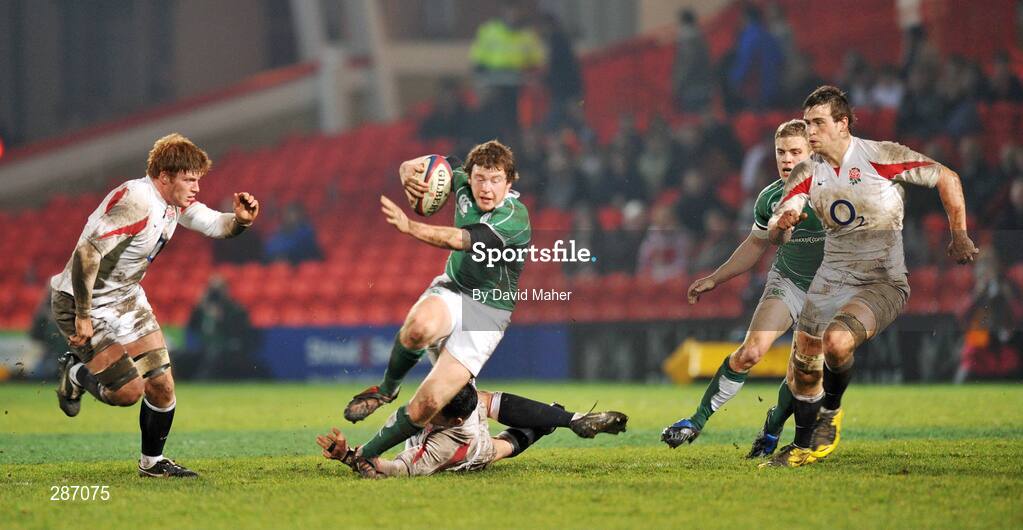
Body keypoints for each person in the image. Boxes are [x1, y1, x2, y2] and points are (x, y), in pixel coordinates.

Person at [764, 86, 978, 467]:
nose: (810, 131)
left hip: (882, 279)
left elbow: (947, 177)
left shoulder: (880, 155)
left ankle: (830, 415)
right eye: (807, 122)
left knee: (837, 342)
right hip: (831, 277)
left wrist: (958, 233)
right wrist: (783, 224)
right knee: (803, 362)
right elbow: (781, 227)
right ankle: (805, 445)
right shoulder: (806, 171)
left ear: (843, 124)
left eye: (818, 123)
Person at [51, 133, 260, 478]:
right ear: (164, 176)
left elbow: (213, 224)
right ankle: (75, 373)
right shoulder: (137, 202)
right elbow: (87, 253)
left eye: (197, 180)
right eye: (189, 179)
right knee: (127, 392)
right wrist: (84, 316)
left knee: (162, 385)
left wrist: (241, 221)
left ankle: (152, 463)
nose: (196, 187)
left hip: (126, 297)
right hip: (80, 300)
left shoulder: (173, 202)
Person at [340, 140, 540, 476]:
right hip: (454, 287)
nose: (486, 188)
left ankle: (365, 455)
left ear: (509, 182)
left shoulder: (514, 219)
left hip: (487, 313)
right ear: (470, 175)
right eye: (479, 178)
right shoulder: (460, 179)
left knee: (429, 404)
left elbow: (457, 239)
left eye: (494, 180)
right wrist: (407, 173)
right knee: (419, 327)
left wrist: (409, 226)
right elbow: (418, 165)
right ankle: (386, 390)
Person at [661, 120, 822, 457]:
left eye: (796, 152)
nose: (787, 160)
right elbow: (754, 245)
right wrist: (715, 278)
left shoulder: (836, 191)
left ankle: (773, 426)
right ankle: (696, 420)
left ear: (813, 152)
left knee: (803, 372)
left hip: (830, 291)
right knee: (750, 352)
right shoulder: (770, 197)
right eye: (781, 152)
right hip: (789, 281)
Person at [319, 384, 627, 478]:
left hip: (469, 449)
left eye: (434, 410)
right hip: (470, 408)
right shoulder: (440, 397)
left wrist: (349, 456)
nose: (427, 409)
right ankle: (566, 418)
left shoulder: (444, 444)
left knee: (497, 449)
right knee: (485, 400)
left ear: (451, 421)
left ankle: (547, 423)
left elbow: (389, 470)